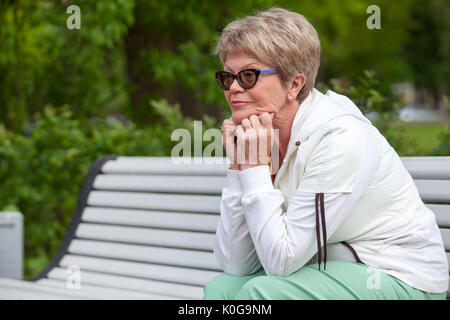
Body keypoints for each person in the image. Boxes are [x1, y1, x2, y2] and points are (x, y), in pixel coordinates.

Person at [202, 7, 448, 300]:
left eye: (248, 75)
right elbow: (235, 264)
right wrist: (240, 168)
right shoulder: (261, 139)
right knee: (220, 291)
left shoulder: (340, 138)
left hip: (399, 277)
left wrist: (254, 169)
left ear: (294, 84)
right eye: (227, 77)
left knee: (262, 294)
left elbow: (281, 262)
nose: (233, 88)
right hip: (326, 269)